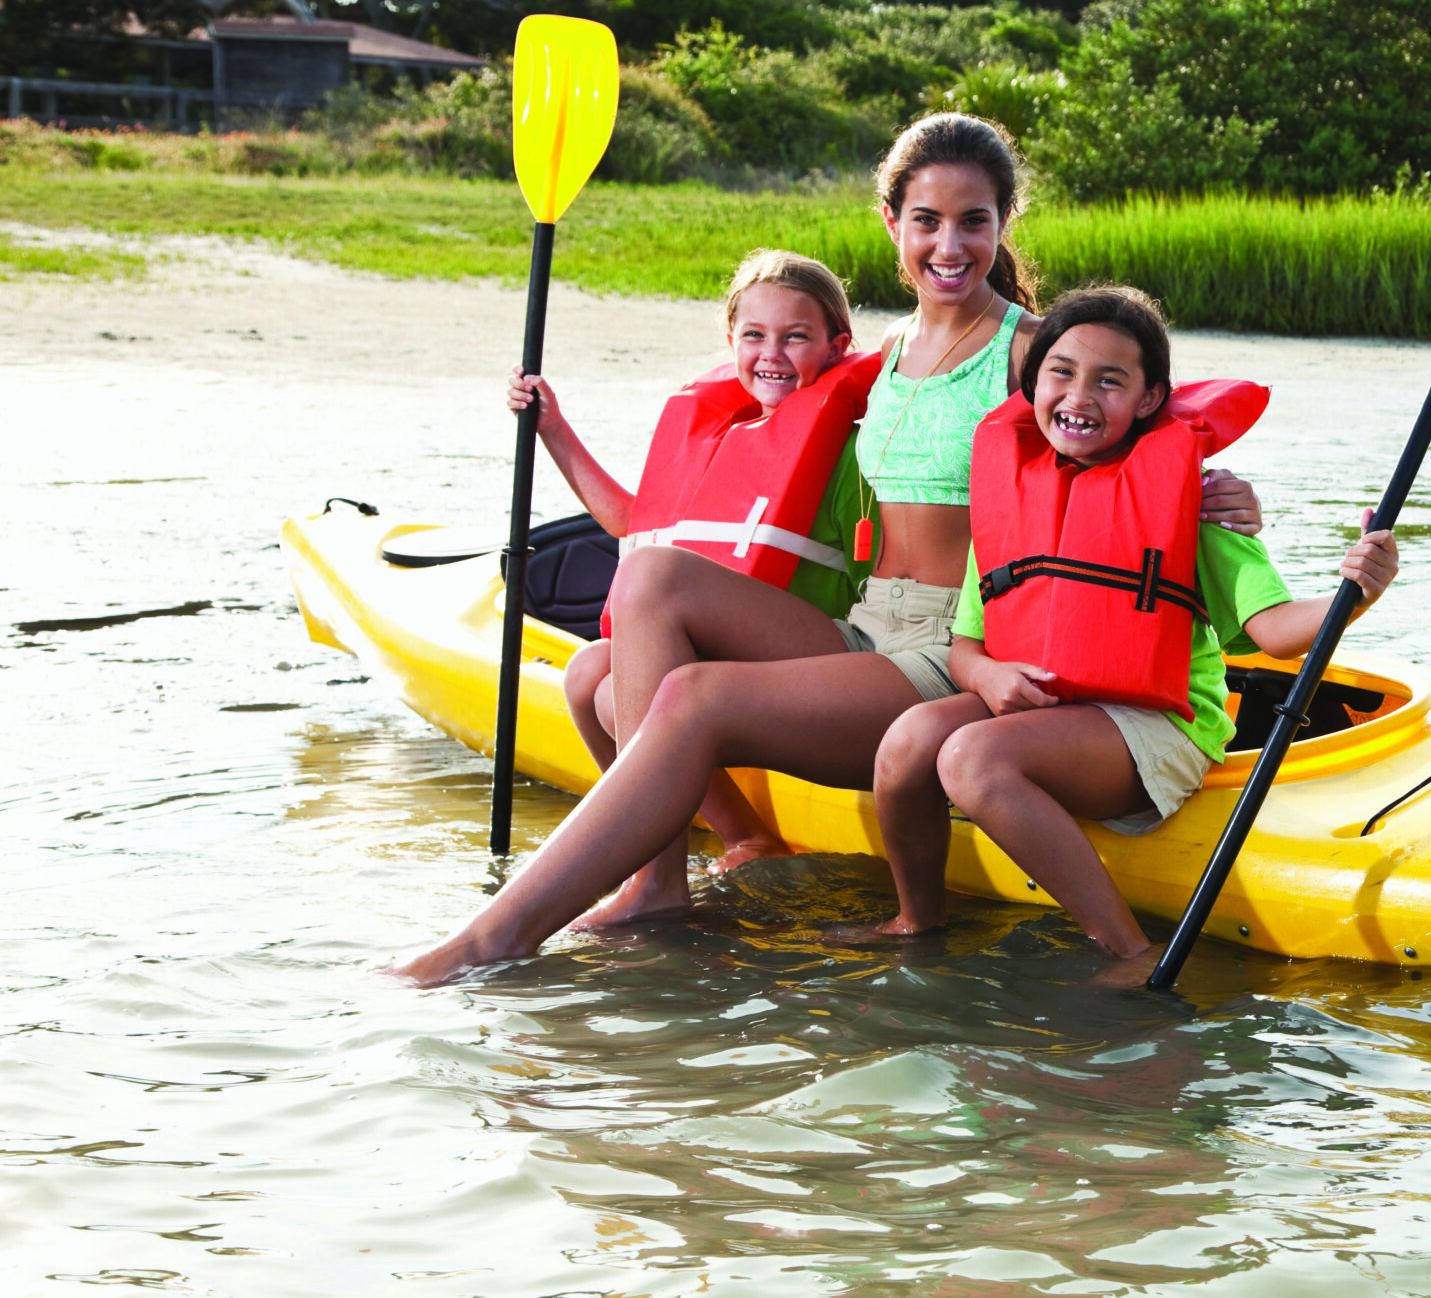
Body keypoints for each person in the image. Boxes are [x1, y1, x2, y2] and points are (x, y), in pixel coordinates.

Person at [391, 116, 1261, 982]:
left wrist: (1226, 497)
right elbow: (763, 396)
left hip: (951, 650)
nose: (949, 244)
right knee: (639, 597)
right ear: (892, 222)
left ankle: (493, 938)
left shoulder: (1031, 350)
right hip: (860, 627)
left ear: (1005, 225)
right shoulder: (885, 357)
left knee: (689, 697)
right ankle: (658, 878)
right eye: (927, 220)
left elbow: (1137, 433)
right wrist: (553, 426)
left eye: (974, 221)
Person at [861, 286, 1398, 976]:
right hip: (1053, 712)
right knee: (907, 741)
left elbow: (1275, 633)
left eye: (1109, 380)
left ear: (1149, 400)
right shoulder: (1010, 497)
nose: (1079, 395)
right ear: (1032, 385)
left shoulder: (1192, 503)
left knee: (971, 758)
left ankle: (1129, 951)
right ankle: (916, 919)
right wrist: (991, 675)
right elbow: (967, 648)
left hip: (1156, 727)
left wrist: (1354, 592)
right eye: (1061, 372)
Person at [509, 248, 859, 874]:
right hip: (745, 653)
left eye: (795, 337)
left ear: (837, 347)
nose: (771, 354)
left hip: (823, 659)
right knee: (590, 672)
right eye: (754, 336)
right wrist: (550, 427)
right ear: (732, 342)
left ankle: (650, 868)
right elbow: (633, 524)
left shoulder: (851, 444)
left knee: (628, 676)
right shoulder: (728, 430)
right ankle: (743, 836)